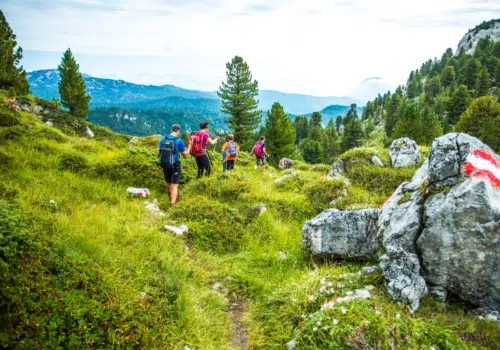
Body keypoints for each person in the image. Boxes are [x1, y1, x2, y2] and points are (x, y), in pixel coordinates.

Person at [157, 124, 192, 204]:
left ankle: (169, 200)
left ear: (171, 129)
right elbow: (185, 155)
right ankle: (172, 205)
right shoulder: (179, 141)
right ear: (178, 130)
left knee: (168, 183)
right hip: (175, 164)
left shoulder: (162, 139)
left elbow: (158, 154)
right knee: (174, 185)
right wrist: (190, 145)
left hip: (165, 163)